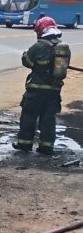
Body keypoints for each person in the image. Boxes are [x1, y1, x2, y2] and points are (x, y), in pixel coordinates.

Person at [12, 16, 71, 155]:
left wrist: (26, 54)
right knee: (48, 119)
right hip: (54, 91)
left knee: (29, 116)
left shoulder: (38, 46)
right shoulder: (63, 48)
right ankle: (47, 147)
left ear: (41, 31)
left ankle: (24, 144)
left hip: (36, 90)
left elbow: (28, 62)